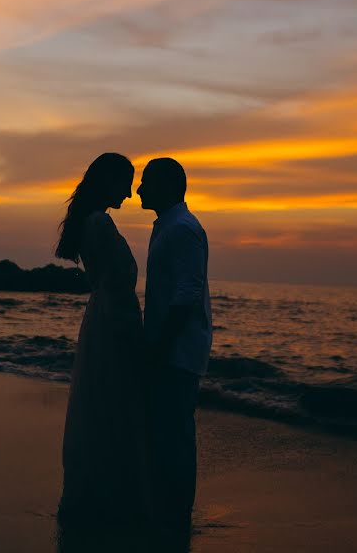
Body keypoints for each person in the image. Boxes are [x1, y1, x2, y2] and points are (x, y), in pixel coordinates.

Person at [55, 152, 150, 528]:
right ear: (108, 181)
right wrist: (134, 337)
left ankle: (101, 492)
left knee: (103, 406)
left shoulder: (95, 222)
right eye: (125, 183)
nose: (128, 194)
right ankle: (107, 498)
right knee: (111, 407)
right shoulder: (99, 224)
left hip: (103, 319)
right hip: (112, 322)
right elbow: (116, 284)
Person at [137, 158, 212, 534]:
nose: (138, 190)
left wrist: (160, 348)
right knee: (165, 432)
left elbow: (187, 294)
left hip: (177, 353)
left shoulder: (182, 229)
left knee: (176, 434)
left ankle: (176, 515)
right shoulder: (169, 226)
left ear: (167, 185)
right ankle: (167, 508)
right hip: (170, 350)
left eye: (146, 182)